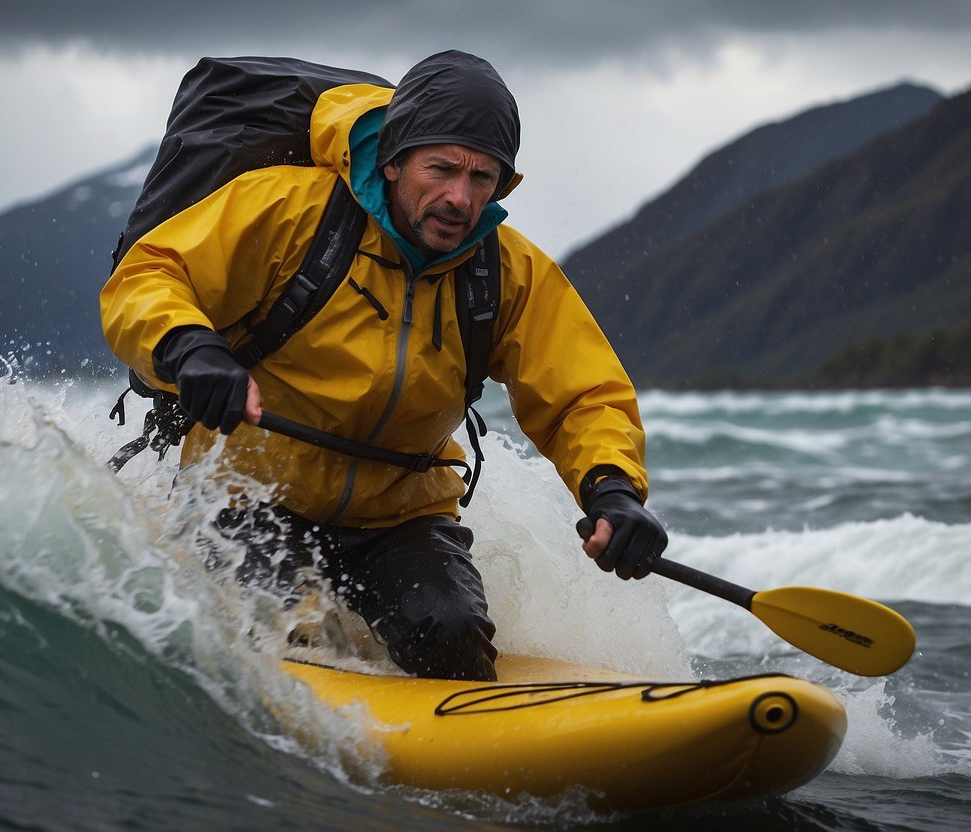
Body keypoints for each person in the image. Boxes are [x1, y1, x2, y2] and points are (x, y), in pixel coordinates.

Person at [100, 50, 667, 682]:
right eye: (443, 168)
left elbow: (582, 395)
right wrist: (191, 347)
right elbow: (148, 279)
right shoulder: (290, 212)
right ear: (393, 160)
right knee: (289, 635)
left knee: (455, 641)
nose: (460, 198)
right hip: (249, 493)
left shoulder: (507, 273)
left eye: (484, 178)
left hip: (400, 515)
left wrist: (613, 490)